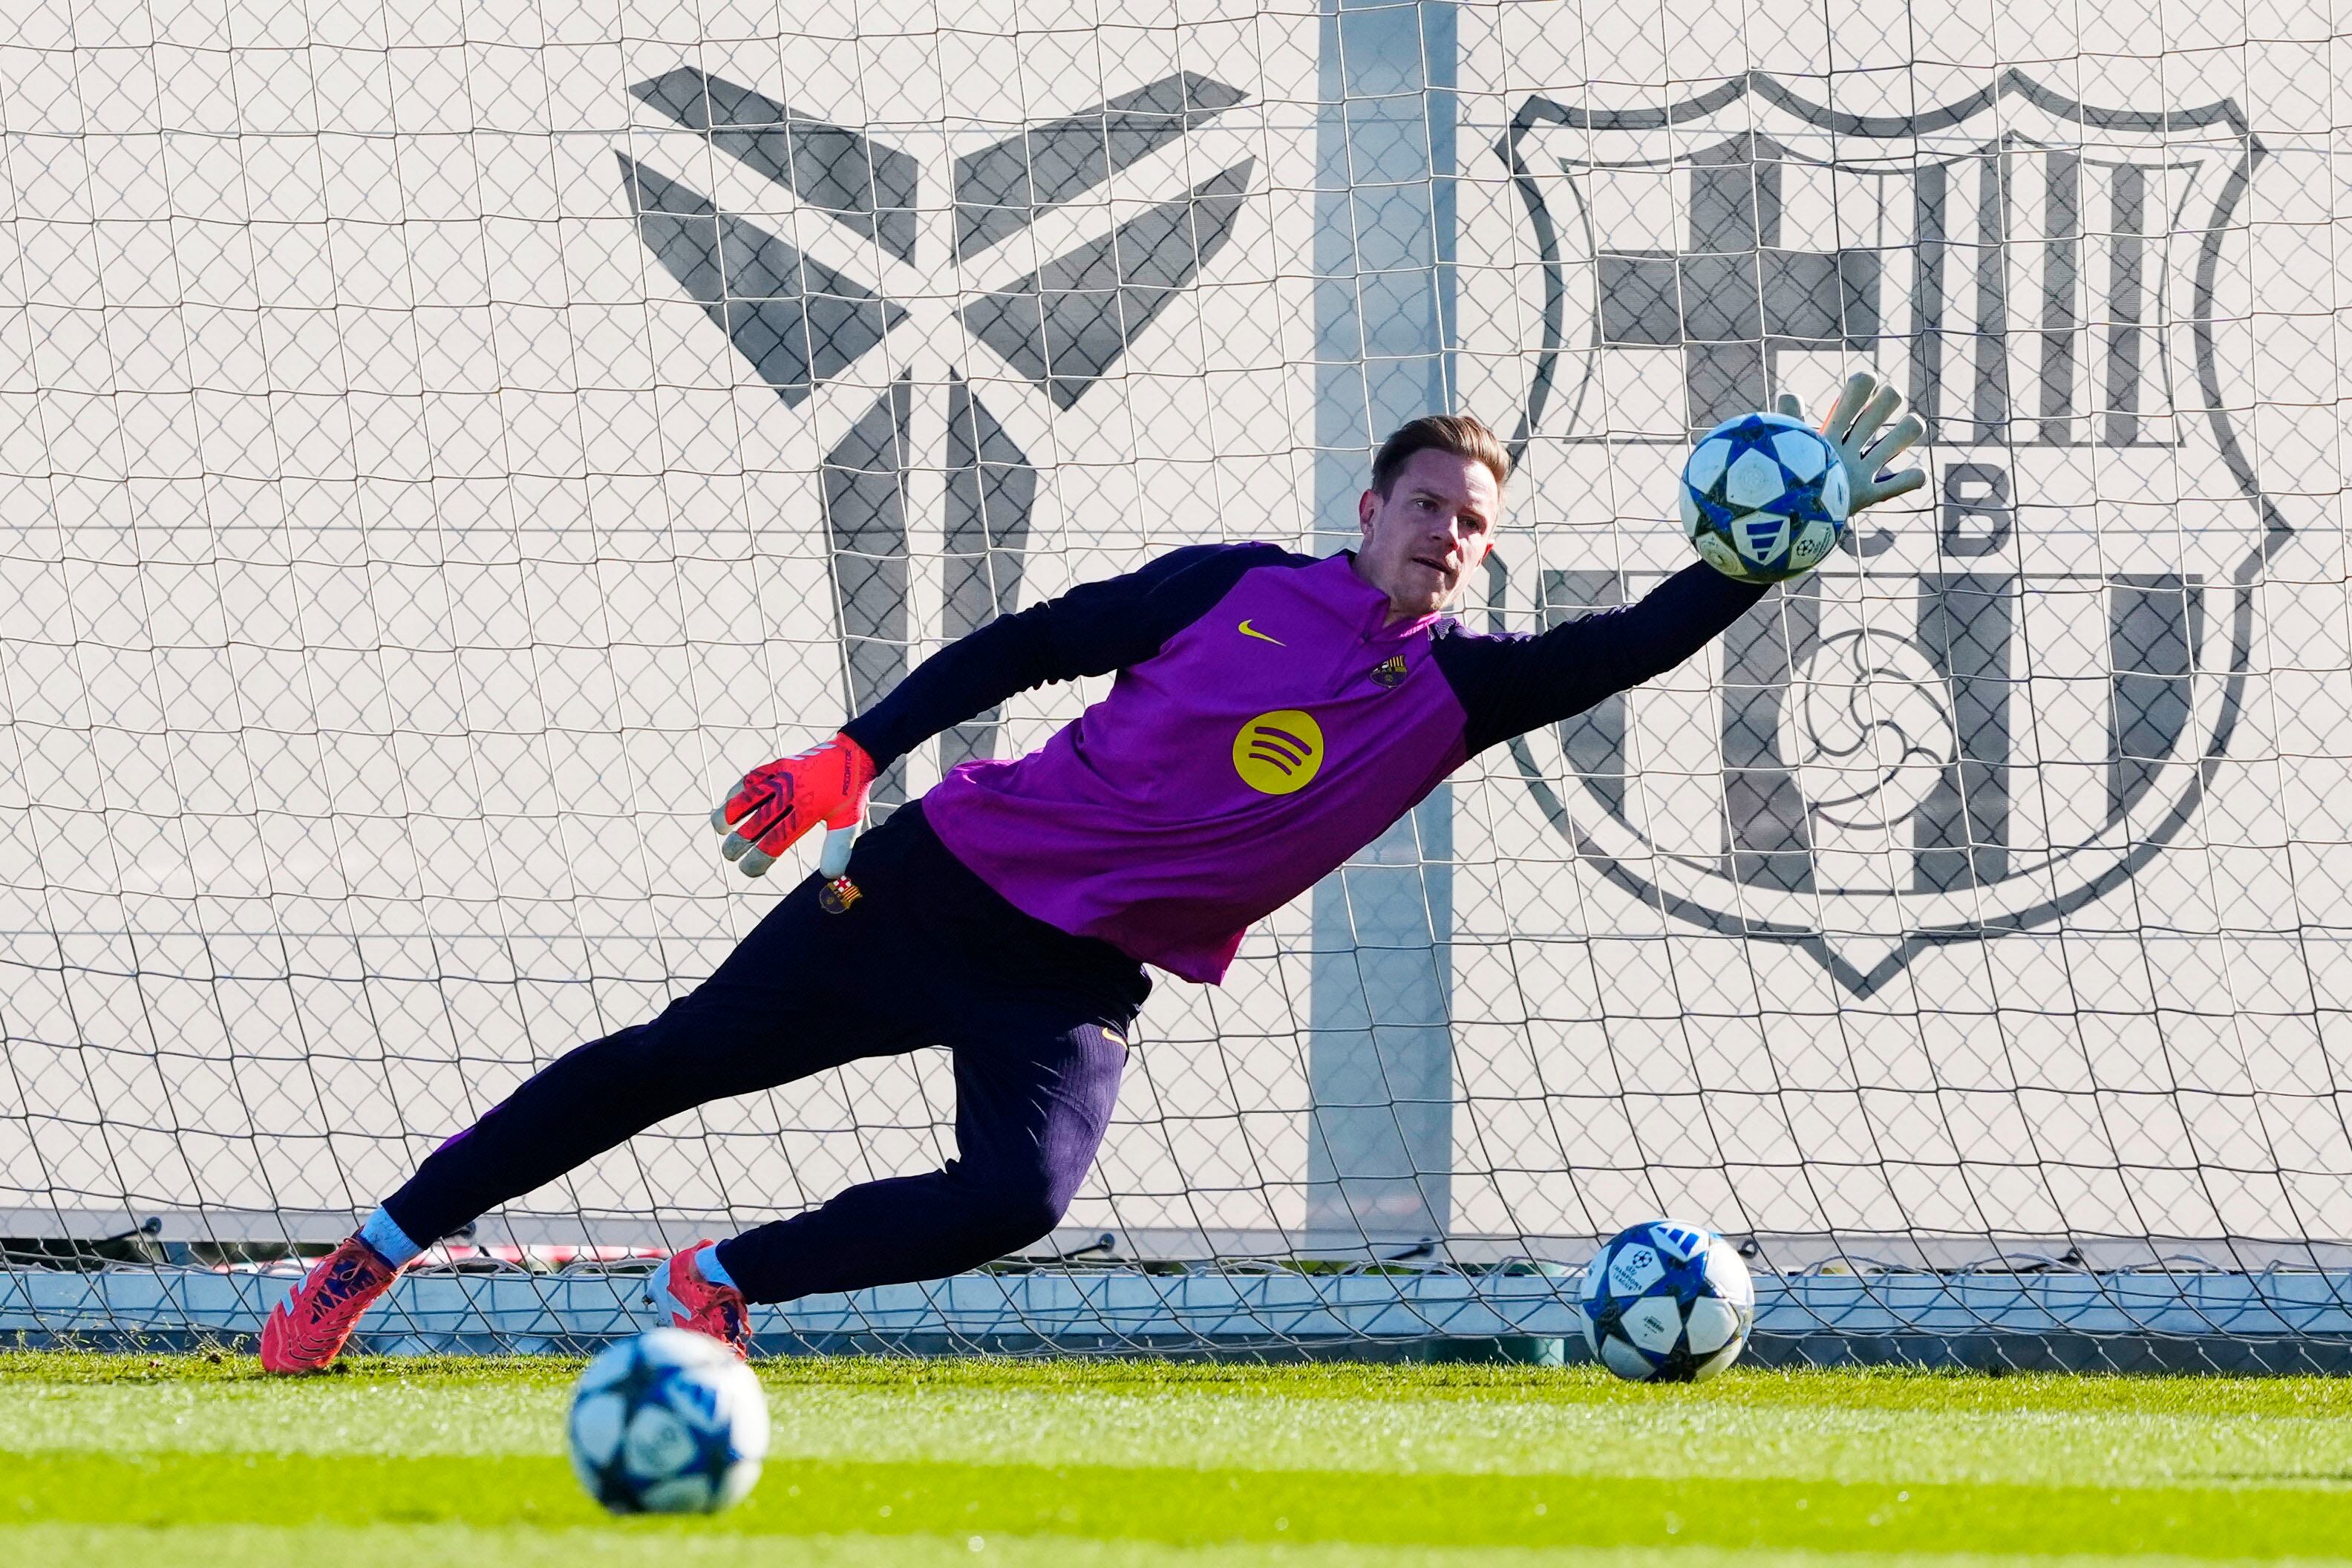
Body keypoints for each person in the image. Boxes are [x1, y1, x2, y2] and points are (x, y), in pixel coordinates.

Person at [258, 376, 1923, 1371]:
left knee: (1020, 1202)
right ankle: (373, 1255)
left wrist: (1766, 550)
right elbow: (1034, 639)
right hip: (936, 882)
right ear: (1370, 505)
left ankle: (719, 1281)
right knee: (667, 1066)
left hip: (1071, 980)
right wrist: (857, 747)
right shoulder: (1239, 587)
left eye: (1475, 524)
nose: (1449, 533)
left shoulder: (1461, 693)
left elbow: (1636, 642)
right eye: (1428, 503)